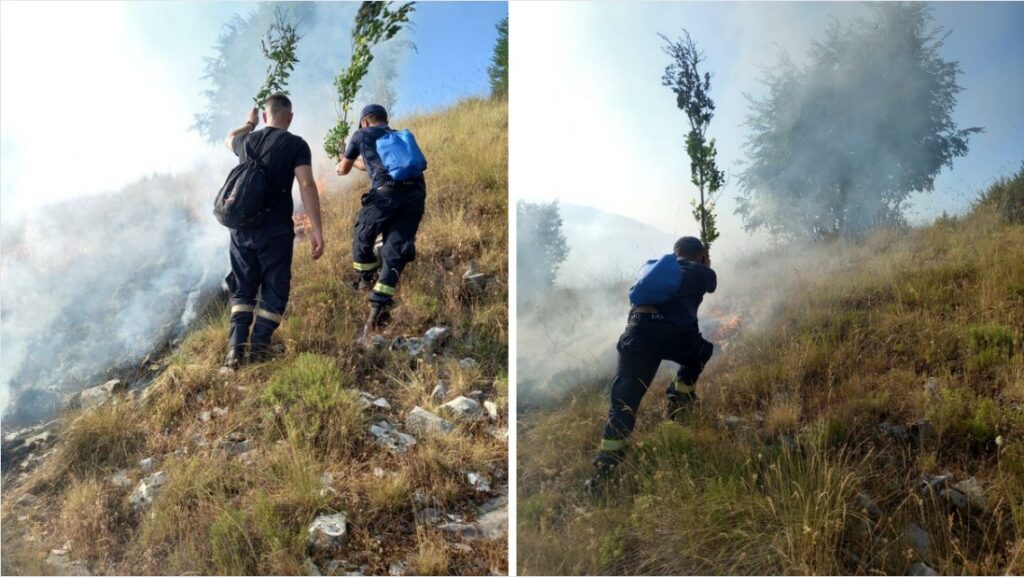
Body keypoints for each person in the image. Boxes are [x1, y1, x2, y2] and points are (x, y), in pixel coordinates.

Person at [587, 236, 717, 492]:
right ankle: (679, 402)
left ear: (675, 253)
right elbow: (710, 284)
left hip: (637, 332)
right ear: (700, 255)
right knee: (701, 352)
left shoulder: (654, 272)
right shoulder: (700, 270)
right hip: (673, 335)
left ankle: (603, 474)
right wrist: (706, 264)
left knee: (624, 399)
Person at [221, 93, 324, 369]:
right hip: (276, 231)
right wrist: (316, 228)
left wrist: (248, 123)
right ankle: (258, 350)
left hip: (242, 231)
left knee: (242, 291)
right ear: (289, 117)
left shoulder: (247, 141)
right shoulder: (296, 145)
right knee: (274, 290)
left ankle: (234, 352)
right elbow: (306, 185)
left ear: (265, 116)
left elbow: (228, 137)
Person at [335, 104, 426, 330]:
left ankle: (365, 279)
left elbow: (343, 170)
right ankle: (379, 306)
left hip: (385, 195)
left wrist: (340, 160)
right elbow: (369, 165)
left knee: (362, 236)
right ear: (385, 119)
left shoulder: (361, 134)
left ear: (365, 122)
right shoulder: (397, 137)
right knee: (395, 249)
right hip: (415, 195)